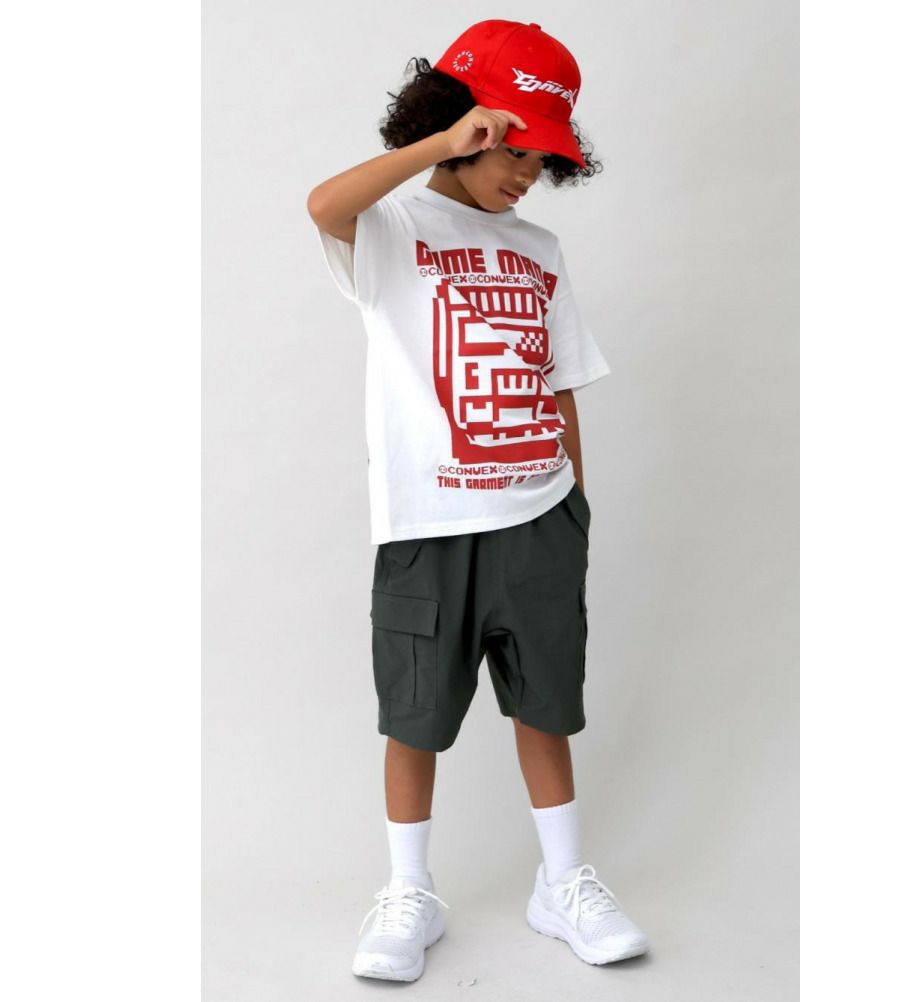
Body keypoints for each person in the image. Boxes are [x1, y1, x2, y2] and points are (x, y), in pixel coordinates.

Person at [307, 19, 650, 983]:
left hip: (539, 514)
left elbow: (559, 381)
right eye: (514, 150)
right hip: (429, 523)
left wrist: (576, 509)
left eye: (543, 160)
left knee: (546, 706)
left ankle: (564, 881)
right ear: (465, 125)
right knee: (413, 714)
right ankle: (409, 889)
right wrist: (439, 143)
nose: (527, 174)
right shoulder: (393, 231)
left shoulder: (541, 249)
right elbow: (323, 204)